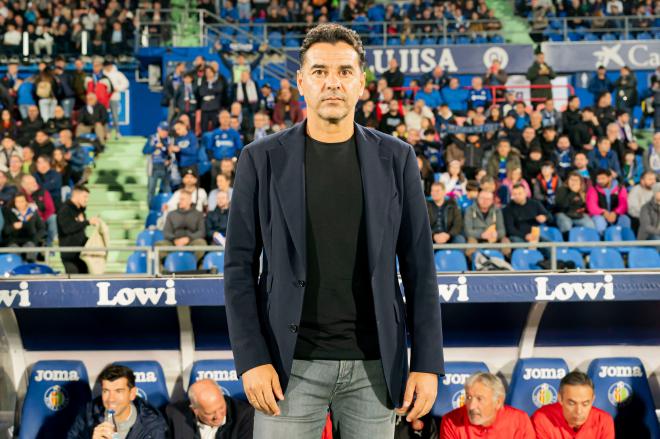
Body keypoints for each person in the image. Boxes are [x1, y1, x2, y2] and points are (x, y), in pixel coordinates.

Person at [225, 24, 443, 439]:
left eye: (344, 72)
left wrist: (427, 362)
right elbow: (237, 267)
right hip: (286, 369)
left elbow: (420, 268)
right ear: (301, 80)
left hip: (374, 367)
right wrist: (251, 358)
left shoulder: (397, 158)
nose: (332, 83)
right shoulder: (260, 159)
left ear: (362, 81)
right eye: (320, 71)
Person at [67, 364, 169, 439]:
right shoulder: (88, 414)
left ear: (132, 394)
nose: (111, 399)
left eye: (118, 391)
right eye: (106, 391)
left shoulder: (153, 425)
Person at [440, 372, 535, 438]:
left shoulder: (519, 420)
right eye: (469, 397)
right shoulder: (451, 421)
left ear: (498, 402)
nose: (471, 406)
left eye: (479, 399)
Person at [532, 371, 614, 439]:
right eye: (571, 403)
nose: (578, 411)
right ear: (560, 399)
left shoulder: (603, 421)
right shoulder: (542, 419)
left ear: (592, 400)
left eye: (585, 404)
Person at [166, 378, 253, 439]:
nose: (218, 416)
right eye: (210, 413)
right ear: (195, 410)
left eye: (221, 407)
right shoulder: (175, 416)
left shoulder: (245, 415)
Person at [57, 185, 98, 274]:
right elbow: (67, 229)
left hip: (81, 254)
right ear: (76, 195)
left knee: (85, 281)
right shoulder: (65, 209)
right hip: (69, 255)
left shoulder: (80, 211)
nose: (86, 199)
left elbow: (79, 231)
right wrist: (87, 222)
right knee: (74, 282)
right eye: (85, 196)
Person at [157, 190, 207, 262]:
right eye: (179, 199)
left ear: (190, 200)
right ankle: (171, 263)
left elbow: (201, 232)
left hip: (191, 242)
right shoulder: (171, 214)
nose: (180, 201)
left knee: (201, 243)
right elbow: (166, 232)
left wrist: (188, 239)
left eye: (183, 199)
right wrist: (175, 240)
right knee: (159, 245)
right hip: (173, 242)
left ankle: (190, 263)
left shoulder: (198, 214)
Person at [464, 190, 509, 257]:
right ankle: (473, 264)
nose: (485, 201)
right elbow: (467, 231)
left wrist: (496, 234)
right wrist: (482, 234)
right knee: (471, 242)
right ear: (478, 198)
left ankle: (504, 263)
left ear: (492, 200)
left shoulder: (497, 211)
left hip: (493, 238)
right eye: (482, 198)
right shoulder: (469, 210)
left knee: (506, 241)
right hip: (476, 239)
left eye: (488, 199)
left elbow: (502, 231)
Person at [3, 193, 45, 262]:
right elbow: (5, 231)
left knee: (31, 247)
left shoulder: (33, 212)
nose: (20, 204)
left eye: (22, 201)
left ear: (26, 201)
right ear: (14, 202)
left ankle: (30, 268)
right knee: (14, 250)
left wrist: (35, 240)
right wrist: (13, 227)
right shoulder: (8, 212)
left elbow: (42, 229)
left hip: (29, 240)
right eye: (17, 202)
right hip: (13, 241)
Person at [586, 168, 631, 234]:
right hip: (600, 215)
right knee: (599, 221)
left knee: (625, 219)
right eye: (598, 179)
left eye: (603, 178)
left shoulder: (620, 188)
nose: (600, 181)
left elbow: (623, 204)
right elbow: (591, 206)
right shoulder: (593, 189)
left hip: (616, 214)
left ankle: (624, 240)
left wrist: (615, 213)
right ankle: (602, 239)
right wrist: (603, 212)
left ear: (610, 178)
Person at [206, 110, 243, 179]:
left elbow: (239, 148)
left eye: (227, 117)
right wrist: (212, 159)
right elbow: (208, 148)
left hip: (231, 161)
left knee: (234, 182)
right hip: (217, 161)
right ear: (219, 119)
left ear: (229, 119)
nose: (225, 119)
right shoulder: (214, 133)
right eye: (223, 117)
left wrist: (234, 158)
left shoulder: (234, 133)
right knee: (215, 182)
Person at [143, 122, 172, 205]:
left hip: (165, 167)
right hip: (153, 167)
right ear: (158, 129)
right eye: (163, 130)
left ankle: (168, 208)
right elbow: (145, 151)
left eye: (167, 131)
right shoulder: (152, 138)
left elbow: (171, 154)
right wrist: (154, 147)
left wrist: (169, 159)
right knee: (151, 190)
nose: (165, 133)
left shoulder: (169, 139)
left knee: (167, 189)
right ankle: (151, 209)